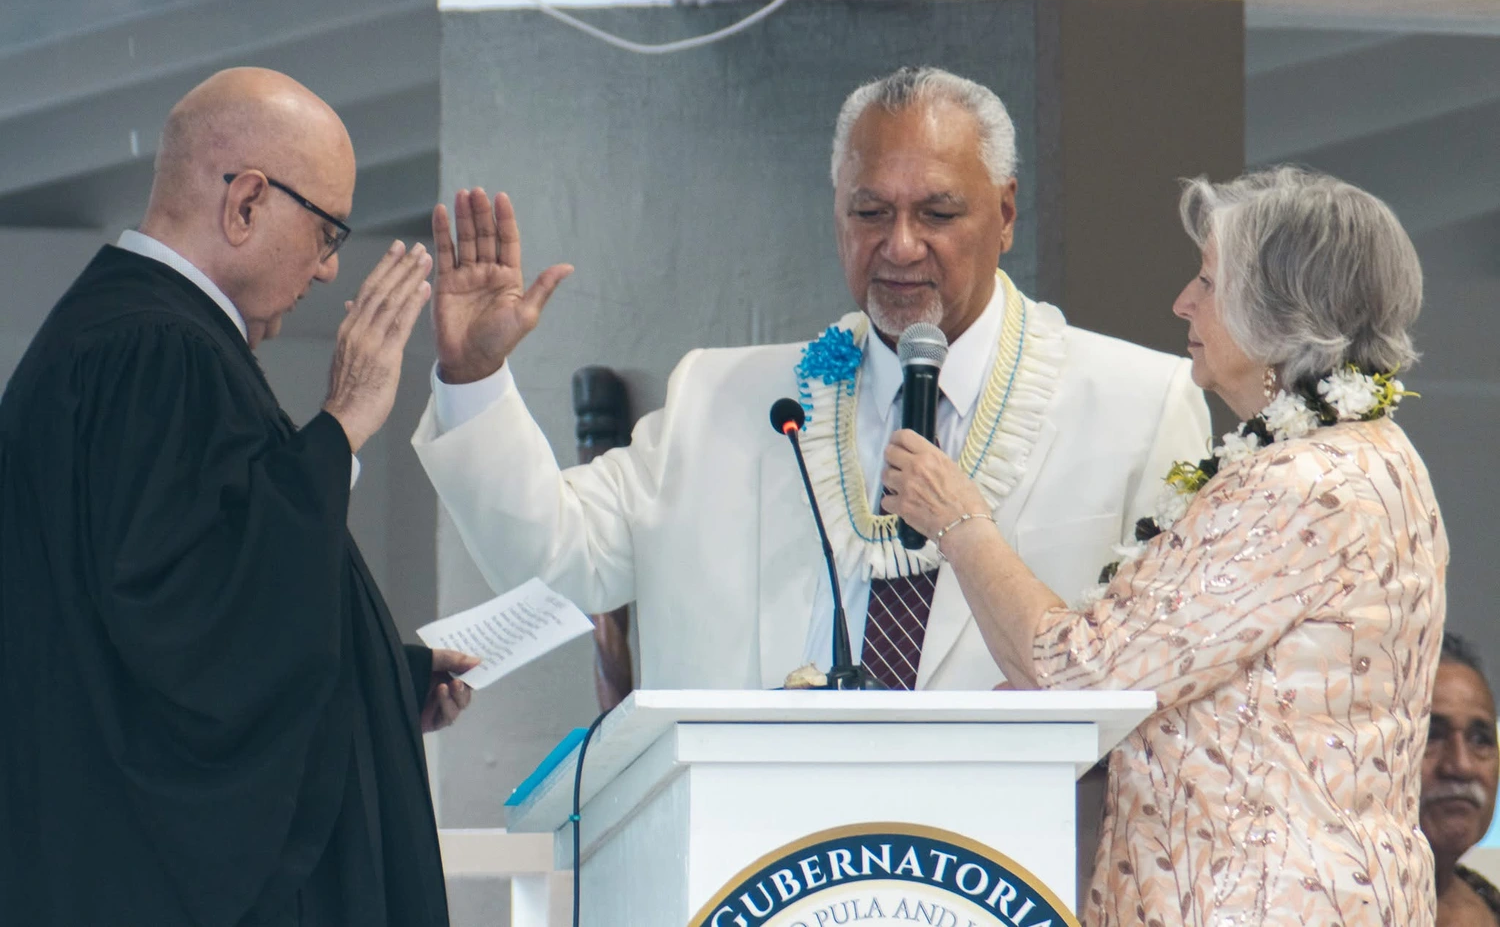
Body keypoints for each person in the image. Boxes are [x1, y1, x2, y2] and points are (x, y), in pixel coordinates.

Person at [411, 65, 1208, 693]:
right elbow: (557, 560)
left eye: (936, 213)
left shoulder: (1138, 405)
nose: (898, 246)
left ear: (1004, 213)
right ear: (835, 210)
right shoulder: (717, 403)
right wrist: (475, 377)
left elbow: (1169, 672)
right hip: (767, 872)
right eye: (869, 213)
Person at [881, 165, 1447, 925]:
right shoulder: (1377, 455)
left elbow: (1076, 670)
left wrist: (958, 520)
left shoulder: (1299, 484)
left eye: (1209, 281)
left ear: (1281, 312)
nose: (1183, 300)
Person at [0, 68, 475, 926]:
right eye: (328, 232)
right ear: (247, 202)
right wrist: (339, 425)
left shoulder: (133, 338)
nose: (331, 271)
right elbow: (186, 629)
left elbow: (195, 605)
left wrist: (379, 678)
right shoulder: (152, 351)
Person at [1423, 633, 1500, 926]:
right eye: (1431, 736)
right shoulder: (1332, 905)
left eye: (1480, 739)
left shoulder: (1487, 904)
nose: (1461, 765)